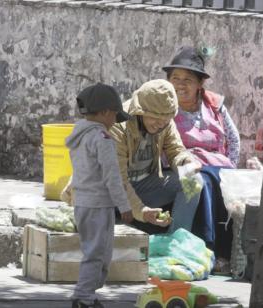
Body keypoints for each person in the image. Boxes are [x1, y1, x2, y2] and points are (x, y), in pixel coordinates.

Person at [61, 80, 202, 234]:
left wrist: (185, 162)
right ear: (140, 111)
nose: (160, 124)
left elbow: (175, 150)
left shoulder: (165, 120)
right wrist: (142, 211)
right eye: (154, 118)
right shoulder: (115, 126)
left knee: (192, 180)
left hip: (141, 186)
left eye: (165, 120)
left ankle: (177, 239)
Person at [163, 46, 240, 272]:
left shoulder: (214, 105)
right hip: (182, 167)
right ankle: (207, 245)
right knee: (201, 181)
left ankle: (226, 252)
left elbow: (233, 140)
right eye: (175, 78)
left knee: (228, 185)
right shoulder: (164, 105)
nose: (180, 84)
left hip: (218, 166)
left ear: (200, 84)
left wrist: (231, 168)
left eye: (187, 79)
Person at [67, 83, 134, 308]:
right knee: (98, 254)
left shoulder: (78, 135)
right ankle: (83, 297)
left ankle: (88, 295)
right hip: (98, 205)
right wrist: (124, 205)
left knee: (94, 251)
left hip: (82, 203)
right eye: (115, 114)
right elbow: (112, 176)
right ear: (105, 112)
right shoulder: (102, 139)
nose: (116, 119)